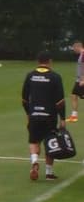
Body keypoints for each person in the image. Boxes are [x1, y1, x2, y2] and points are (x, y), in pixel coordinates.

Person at [22, 51, 66, 181]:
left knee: (34, 141)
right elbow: (60, 101)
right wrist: (63, 118)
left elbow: (24, 99)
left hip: (34, 115)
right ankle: (49, 173)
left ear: (38, 61)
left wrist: (28, 113)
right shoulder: (55, 77)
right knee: (49, 143)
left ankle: (34, 161)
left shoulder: (30, 76)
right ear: (50, 61)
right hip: (49, 116)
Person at [69, 40, 83, 122]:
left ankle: (74, 115)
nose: (73, 50)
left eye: (74, 48)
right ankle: (74, 116)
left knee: (74, 96)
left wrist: (83, 79)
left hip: (81, 80)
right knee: (74, 95)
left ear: (78, 47)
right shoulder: (81, 55)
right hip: (79, 79)